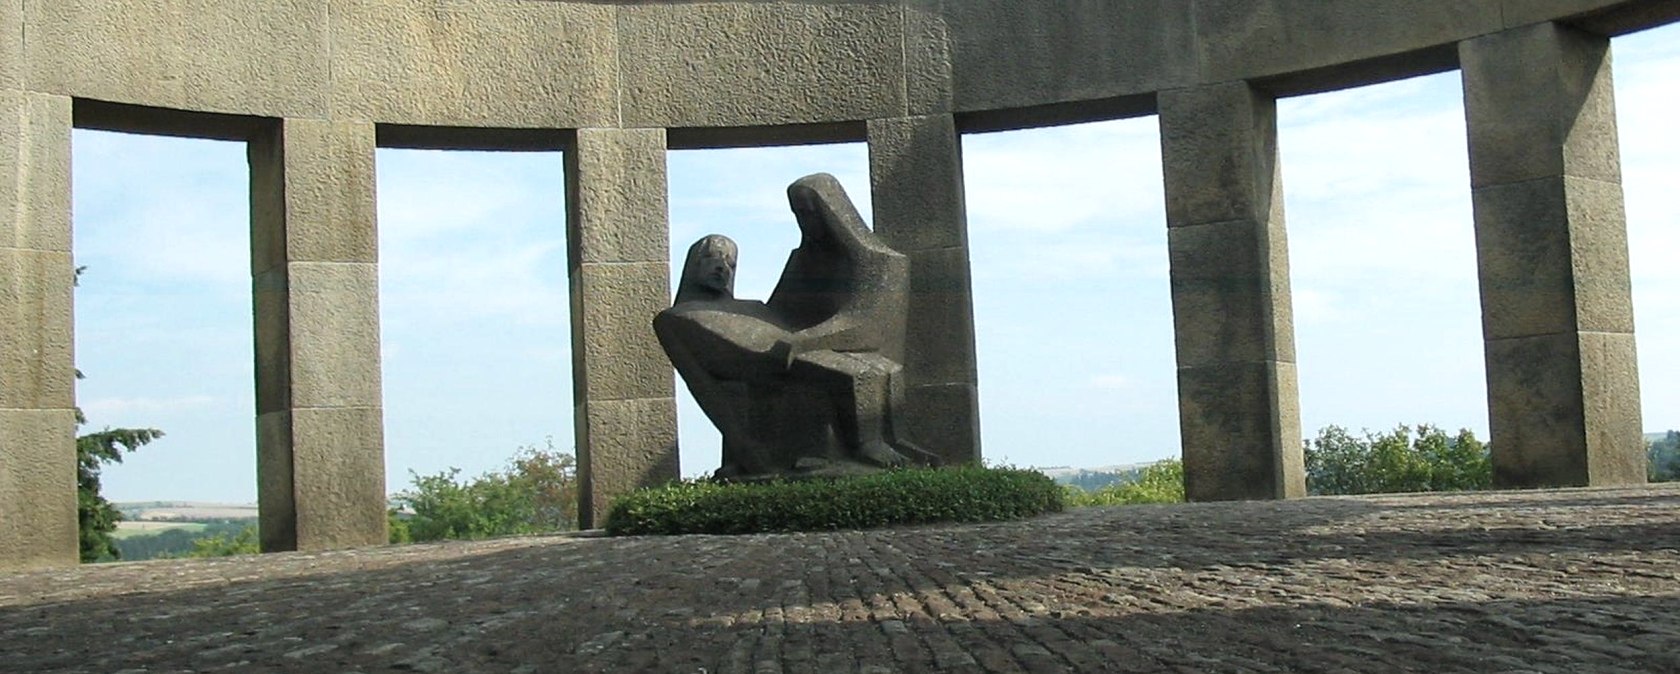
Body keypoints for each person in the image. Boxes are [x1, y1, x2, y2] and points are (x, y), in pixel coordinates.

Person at [653, 174, 936, 478]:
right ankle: (866, 447)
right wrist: (743, 444)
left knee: (880, 369)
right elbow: (705, 384)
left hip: (797, 348)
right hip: (772, 361)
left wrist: (805, 340)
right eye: (712, 258)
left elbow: (836, 322)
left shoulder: (752, 307)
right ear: (694, 263)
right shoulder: (677, 319)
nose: (722, 267)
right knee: (853, 372)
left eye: (730, 262)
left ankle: (884, 445)